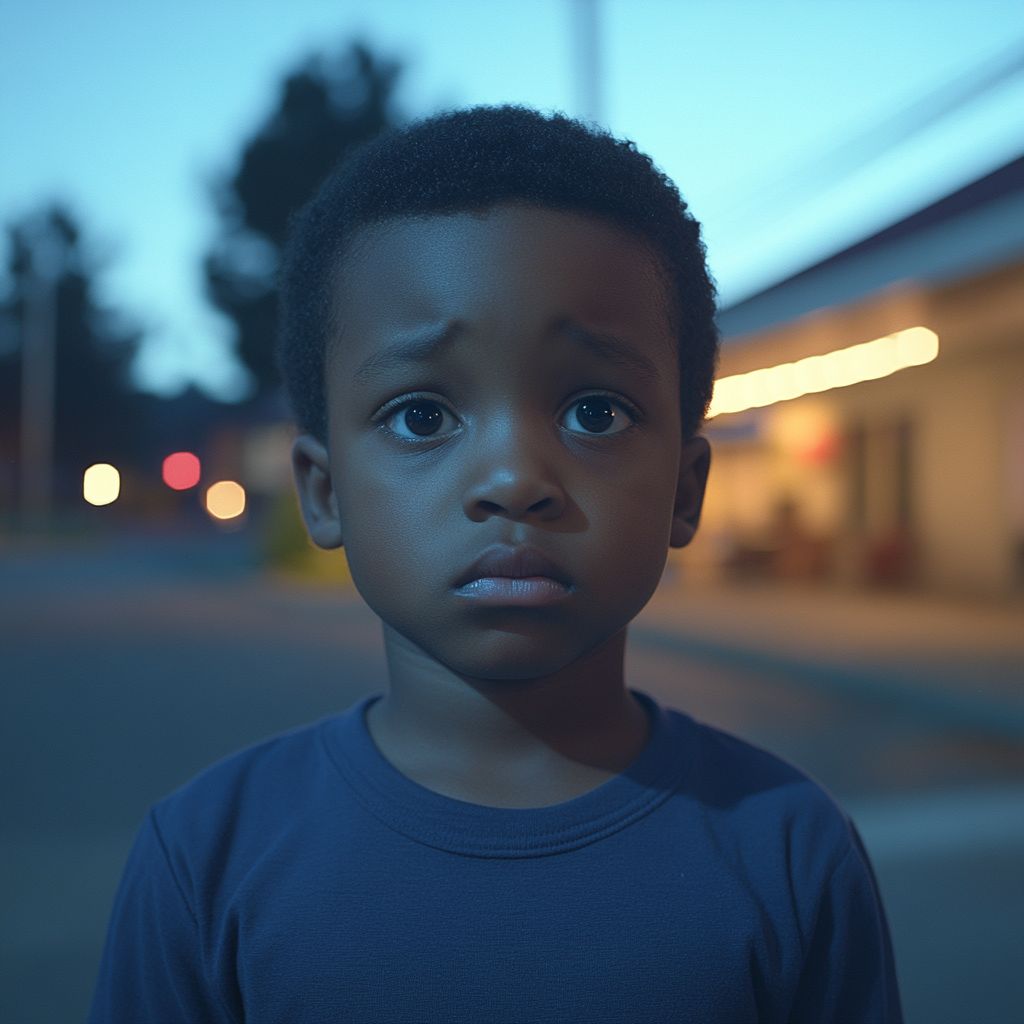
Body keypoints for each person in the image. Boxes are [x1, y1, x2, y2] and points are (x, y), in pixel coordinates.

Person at [89, 106, 901, 1023]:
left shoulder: (789, 847)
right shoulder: (206, 858)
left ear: (685, 489)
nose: (515, 479)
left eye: (595, 411)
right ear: (323, 492)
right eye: (422, 415)